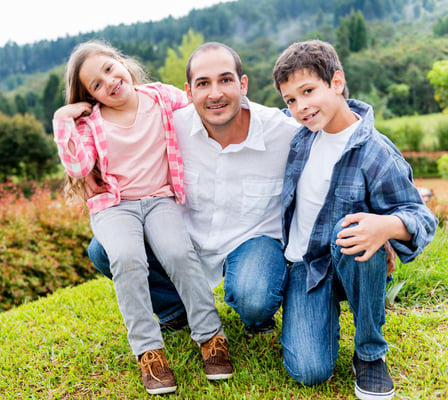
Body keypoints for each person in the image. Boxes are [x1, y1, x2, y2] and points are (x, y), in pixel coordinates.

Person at [52, 40, 232, 396]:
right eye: (96, 86)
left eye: (108, 69)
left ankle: (211, 337)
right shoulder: (91, 123)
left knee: (179, 253)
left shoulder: (161, 98)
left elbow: (202, 108)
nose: (109, 83)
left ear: (120, 61)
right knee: (127, 259)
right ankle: (149, 351)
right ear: (90, 96)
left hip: (160, 198)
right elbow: (78, 166)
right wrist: (62, 122)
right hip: (115, 206)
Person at [87, 42, 300, 338]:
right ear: (188, 92)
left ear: (243, 84)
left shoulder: (284, 132)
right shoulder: (167, 126)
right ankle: (177, 310)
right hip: (184, 239)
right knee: (103, 249)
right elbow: (116, 126)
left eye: (225, 80)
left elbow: (335, 135)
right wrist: (88, 168)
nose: (215, 94)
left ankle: (255, 314)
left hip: (251, 240)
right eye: (203, 84)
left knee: (254, 299)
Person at [272, 40, 438, 400]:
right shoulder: (298, 136)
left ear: (337, 82)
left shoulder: (377, 153)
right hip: (306, 265)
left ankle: (369, 353)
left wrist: (388, 227)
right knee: (309, 371)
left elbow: (422, 218)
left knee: (357, 228)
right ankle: (304, 308)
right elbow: (249, 115)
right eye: (290, 100)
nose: (301, 107)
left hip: (351, 258)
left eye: (308, 91)